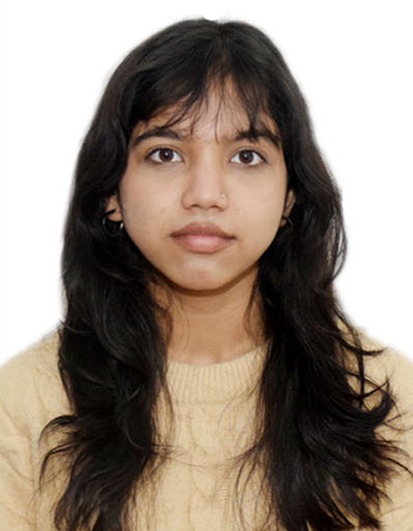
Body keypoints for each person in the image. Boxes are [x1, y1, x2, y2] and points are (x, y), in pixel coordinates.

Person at [0, 18, 412, 531]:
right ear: (111, 195)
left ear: (290, 197)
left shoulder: (385, 404)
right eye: (165, 154)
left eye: (247, 156)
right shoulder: (22, 405)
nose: (205, 194)